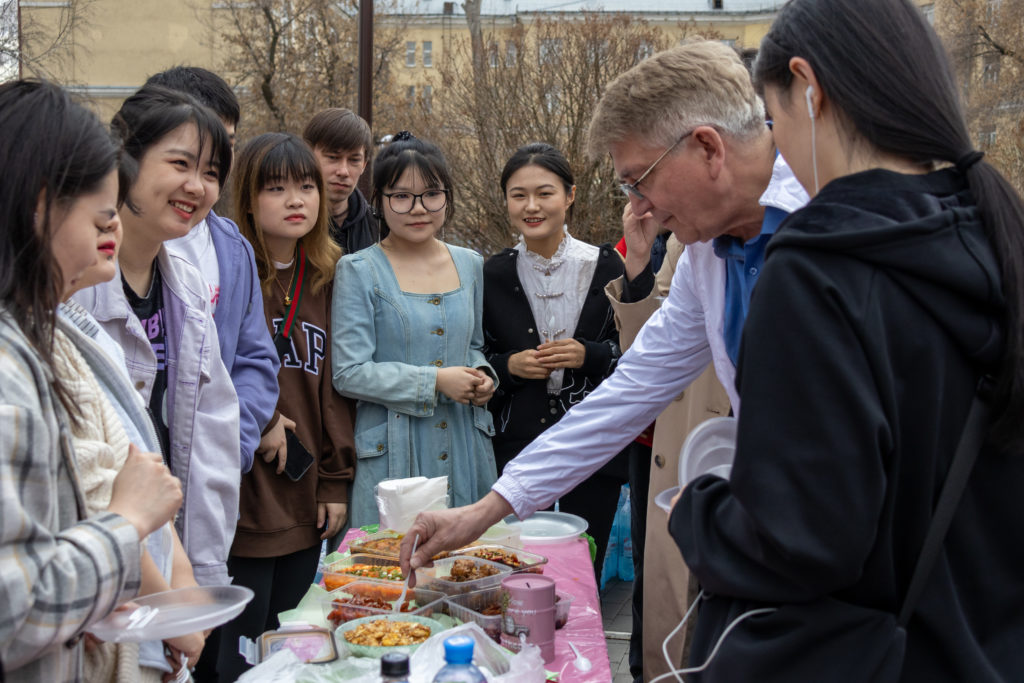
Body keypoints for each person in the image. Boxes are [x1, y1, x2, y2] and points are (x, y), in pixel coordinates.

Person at [666, 0, 1024, 680]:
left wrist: (698, 513)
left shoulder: (816, 270)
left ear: (809, 86)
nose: (779, 150)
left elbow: (800, 541)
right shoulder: (997, 240)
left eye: (773, 122)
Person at [398, 39, 805, 596]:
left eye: (640, 180)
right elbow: (632, 387)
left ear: (707, 148)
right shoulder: (706, 252)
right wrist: (486, 511)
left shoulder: (832, 217)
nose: (637, 208)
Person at [0, 78, 181, 682]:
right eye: (102, 215)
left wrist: (101, 594)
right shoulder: (7, 368)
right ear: (40, 206)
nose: (113, 232)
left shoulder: (36, 336)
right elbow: (13, 609)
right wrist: (126, 524)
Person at [74, 84, 241, 588]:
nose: (198, 186)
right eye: (181, 164)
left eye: (212, 174)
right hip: (104, 566)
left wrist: (203, 575)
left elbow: (214, 441)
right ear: (124, 160)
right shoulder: (74, 287)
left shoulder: (188, 288)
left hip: (183, 560)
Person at [217, 132, 357, 680]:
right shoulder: (228, 275)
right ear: (249, 200)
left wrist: (333, 481)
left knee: (288, 648)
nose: (296, 200)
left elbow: (333, 392)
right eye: (276, 189)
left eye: (306, 186)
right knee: (235, 653)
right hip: (241, 492)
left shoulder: (329, 276)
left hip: (303, 492)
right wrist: (266, 417)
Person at [57, 200, 204, 681]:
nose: (109, 220)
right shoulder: (32, 346)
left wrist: (181, 601)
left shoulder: (74, 332)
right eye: (87, 200)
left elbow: (144, 471)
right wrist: (168, 613)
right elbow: (111, 497)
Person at [332, 131, 498, 529]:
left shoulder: (470, 263)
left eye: (431, 193)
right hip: (395, 451)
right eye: (401, 195)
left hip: (465, 444)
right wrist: (436, 380)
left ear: (447, 196)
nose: (418, 208)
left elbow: (473, 345)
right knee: (391, 575)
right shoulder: (358, 269)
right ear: (380, 201)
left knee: (471, 571)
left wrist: (482, 375)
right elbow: (349, 372)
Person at [483, 142, 627, 571]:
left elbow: (641, 355)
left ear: (570, 195)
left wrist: (592, 355)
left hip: (593, 446)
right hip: (516, 449)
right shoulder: (491, 273)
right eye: (518, 194)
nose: (532, 206)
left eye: (545, 193)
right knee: (517, 568)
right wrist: (508, 367)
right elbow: (474, 355)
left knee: (585, 565)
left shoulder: (608, 266)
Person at [607, 224, 730, 681]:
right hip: (672, 443)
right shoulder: (686, 243)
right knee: (667, 591)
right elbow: (648, 353)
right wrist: (638, 262)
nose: (641, 199)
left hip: (752, 453)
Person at [148, 66, 281, 479]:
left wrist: (229, 452)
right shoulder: (109, 244)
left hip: (206, 484)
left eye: (225, 148)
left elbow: (254, 359)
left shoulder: (232, 250)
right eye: (188, 154)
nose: (207, 172)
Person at [303, 108, 376, 253]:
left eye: (354, 160)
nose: (343, 171)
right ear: (308, 156)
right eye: (333, 157)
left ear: (364, 165)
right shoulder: (289, 226)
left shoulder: (379, 227)